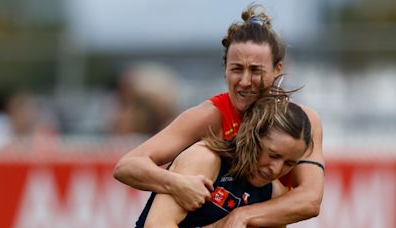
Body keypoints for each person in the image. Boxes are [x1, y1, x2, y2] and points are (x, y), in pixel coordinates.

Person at [114, 3, 324, 227]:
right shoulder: (209, 126)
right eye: (236, 69)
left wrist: (241, 217)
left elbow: (310, 201)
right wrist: (176, 183)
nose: (244, 81)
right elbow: (128, 166)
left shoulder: (300, 126)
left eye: (255, 70)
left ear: (277, 70)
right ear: (225, 68)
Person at [135, 91, 312, 228]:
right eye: (273, 155)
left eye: (289, 163)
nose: (276, 169)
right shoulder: (204, 159)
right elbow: (157, 224)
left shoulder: (274, 194)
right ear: (253, 136)